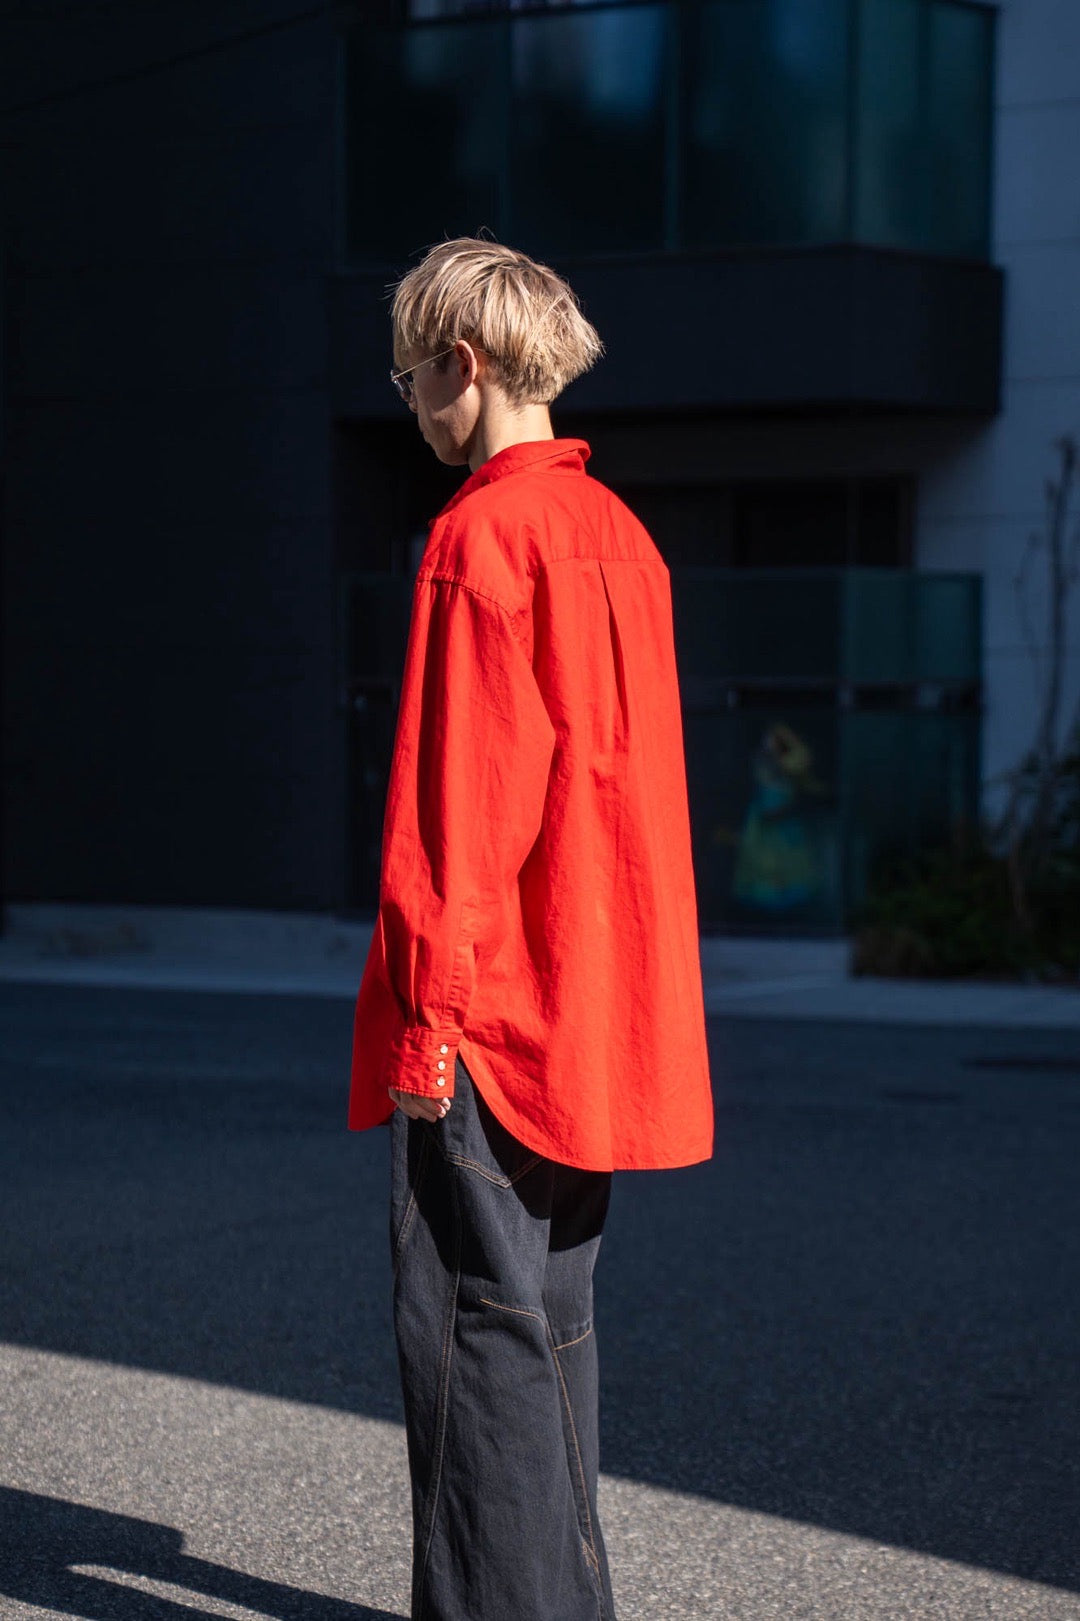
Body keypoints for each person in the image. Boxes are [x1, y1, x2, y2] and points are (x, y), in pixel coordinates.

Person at [348, 237, 714, 1621]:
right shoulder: (623, 536)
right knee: (550, 1332)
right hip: (594, 1008)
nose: (409, 406)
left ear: (466, 362)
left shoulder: (478, 539)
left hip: (491, 1016)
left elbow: (463, 810)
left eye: (410, 378)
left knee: (474, 1346)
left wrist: (428, 1027)